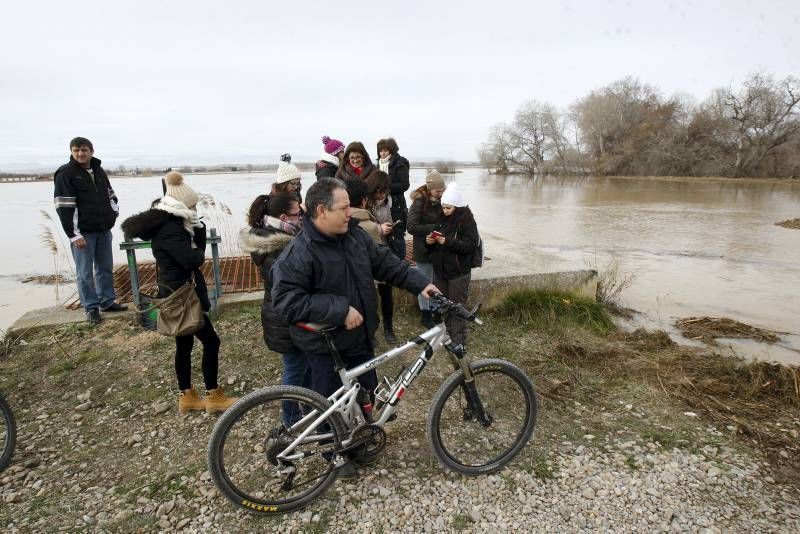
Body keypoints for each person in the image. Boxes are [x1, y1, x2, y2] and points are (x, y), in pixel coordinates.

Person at [271, 177, 439, 405]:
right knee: (332, 415)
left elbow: (386, 264)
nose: (350, 212)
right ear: (322, 211)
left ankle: (364, 431)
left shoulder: (355, 236)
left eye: (349, 205)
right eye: (343, 208)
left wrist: (421, 284)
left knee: (364, 404)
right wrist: (340, 310)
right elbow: (286, 301)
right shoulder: (299, 253)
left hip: (361, 339)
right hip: (327, 349)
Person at [121, 171, 237, 414]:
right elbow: (191, 260)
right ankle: (212, 396)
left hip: (174, 290)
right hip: (181, 294)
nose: (195, 209)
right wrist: (200, 237)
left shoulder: (168, 224)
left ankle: (188, 397)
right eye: (193, 205)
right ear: (182, 205)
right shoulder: (171, 229)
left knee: (184, 344)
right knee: (211, 341)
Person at [239, 192, 309, 425]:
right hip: (284, 319)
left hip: (279, 315)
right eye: (298, 214)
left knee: (302, 366)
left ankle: (310, 408)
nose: (302, 218)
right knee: (294, 370)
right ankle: (290, 419)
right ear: (283, 217)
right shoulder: (279, 248)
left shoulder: (270, 236)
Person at [53, 137, 127, 324]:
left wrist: (114, 213)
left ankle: (107, 301)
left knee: (104, 268)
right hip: (83, 233)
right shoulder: (65, 173)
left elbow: (111, 195)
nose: (80, 153)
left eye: (84, 150)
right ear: (71, 152)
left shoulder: (99, 170)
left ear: (91, 151)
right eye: (76, 150)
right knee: (85, 272)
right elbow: (64, 207)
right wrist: (73, 234)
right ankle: (91, 308)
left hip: (103, 229)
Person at [425, 184, 479, 351]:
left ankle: (459, 344)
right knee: (444, 307)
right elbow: (435, 244)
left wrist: (446, 241)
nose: (445, 210)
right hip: (441, 272)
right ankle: (449, 338)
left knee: (457, 309)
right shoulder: (442, 218)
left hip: (458, 273)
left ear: (457, 206)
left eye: (448, 208)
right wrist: (429, 243)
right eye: (443, 207)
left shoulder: (467, 221)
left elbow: (469, 246)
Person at [406, 169, 446, 328]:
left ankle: (436, 310)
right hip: (423, 250)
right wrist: (434, 227)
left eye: (443, 190)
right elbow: (411, 227)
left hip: (438, 249)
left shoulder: (443, 200)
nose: (441, 193)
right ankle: (425, 314)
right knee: (425, 282)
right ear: (430, 189)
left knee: (437, 281)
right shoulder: (419, 202)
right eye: (438, 190)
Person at [364, 171, 399, 342]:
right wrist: (378, 228)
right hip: (366, 254)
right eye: (380, 191)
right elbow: (358, 228)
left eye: (385, 191)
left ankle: (389, 328)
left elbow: (389, 221)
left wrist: (389, 229)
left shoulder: (386, 203)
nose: (383, 194)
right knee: (368, 296)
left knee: (387, 294)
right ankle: (371, 330)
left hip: (383, 251)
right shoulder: (362, 204)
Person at [376, 138, 410, 259]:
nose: (382, 153)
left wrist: (386, 188)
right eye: (380, 151)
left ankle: (400, 261)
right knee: (383, 235)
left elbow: (405, 185)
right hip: (380, 204)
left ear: (391, 150)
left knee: (398, 235)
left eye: (385, 150)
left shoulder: (401, 163)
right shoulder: (376, 164)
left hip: (397, 205)